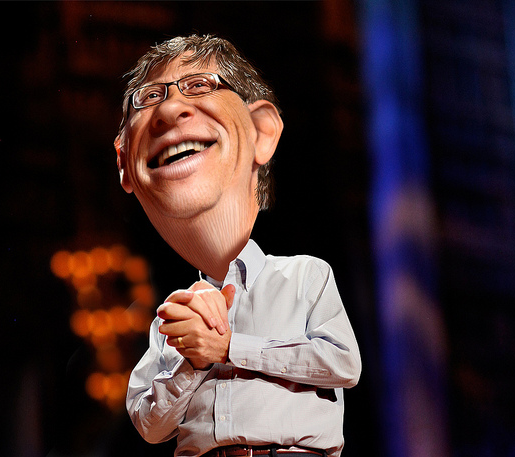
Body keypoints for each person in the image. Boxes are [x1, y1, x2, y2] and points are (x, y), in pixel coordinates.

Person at [114, 34, 361, 457]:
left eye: (199, 85)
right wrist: (193, 362)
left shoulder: (306, 276)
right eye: (150, 97)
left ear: (261, 130)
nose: (169, 109)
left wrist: (228, 347)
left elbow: (343, 363)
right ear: (123, 163)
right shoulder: (171, 322)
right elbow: (150, 427)